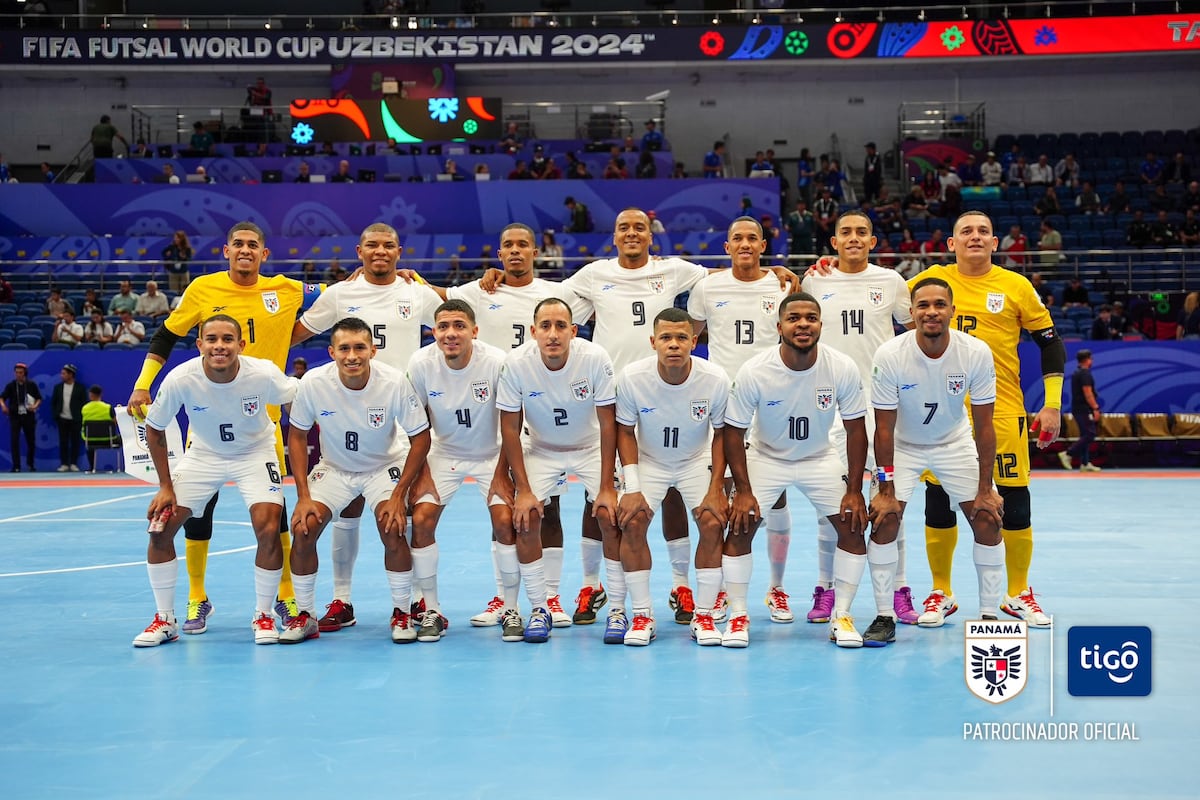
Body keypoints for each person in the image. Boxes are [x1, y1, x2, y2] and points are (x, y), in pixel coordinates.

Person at [127, 221, 318, 637]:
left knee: (272, 521)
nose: (245, 250)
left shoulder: (285, 290)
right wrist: (143, 384)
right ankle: (191, 600)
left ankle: (280, 600)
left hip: (261, 431)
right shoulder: (201, 295)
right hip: (206, 441)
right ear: (226, 250)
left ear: (264, 253)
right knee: (191, 517)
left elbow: (333, 298)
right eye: (238, 244)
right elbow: (164, 336)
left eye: (253, 245)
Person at [908, 211, 1066, 628]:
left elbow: (1050, 344)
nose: (974, 237)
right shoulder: (930, 281)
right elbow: (872, 296)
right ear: (951, 243)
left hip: (1002, 411)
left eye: (983, 231)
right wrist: (823, 269)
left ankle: (1018, 593)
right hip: (942, 413)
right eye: (966, 231)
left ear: (995, 243)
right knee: (938, 500)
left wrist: (1052, 404)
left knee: (1013, 500)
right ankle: (941, 591)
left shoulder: (1016, 286)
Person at [289, 223, 440, 633]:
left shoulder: (416, 292)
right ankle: (338, 601)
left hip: (397, 421)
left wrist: (481, 280)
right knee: (341, 514)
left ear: (399, 251)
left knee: (400, 521)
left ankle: (410, 604)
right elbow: (293, 333)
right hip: (344, 423)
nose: (380, 251)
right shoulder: (340, 294)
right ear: (359, 251)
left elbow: (458, 312)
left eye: (388, 245)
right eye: (372, 245)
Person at [131, 314, 299, 648]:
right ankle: (165, 619)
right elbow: (154, 428)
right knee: (160, 529)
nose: (219, 346)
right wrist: (165, 486)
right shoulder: (181, 378)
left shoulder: (263, 373)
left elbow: (299, 397)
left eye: (227, 339)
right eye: (211, 339)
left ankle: (263, 614)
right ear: (199, 345)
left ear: (241, 344)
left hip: (255, 452)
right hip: (203, 455)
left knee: (269, 528)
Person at [723, 292, 869, 648]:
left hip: (819, 457)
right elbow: (733, 433)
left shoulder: (841, 366)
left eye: (810, 318)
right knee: (739, 528)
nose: (803, 324)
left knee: (852, 526)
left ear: (821, 325)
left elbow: (856, 431)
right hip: (767, 458)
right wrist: (743, 490)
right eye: (794, 318)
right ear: (779, 327)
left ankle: (842, 615)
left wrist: (854, 489)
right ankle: (738, 614)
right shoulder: (755, 370)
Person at [282, 317, 432, 645]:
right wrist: (303, 496)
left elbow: (421, 438)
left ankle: (401, 611)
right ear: (332, 352)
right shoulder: (313, 383)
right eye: (345, 348)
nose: (352, 356)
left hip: (383, 466)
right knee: (303, 528)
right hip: (335, 468)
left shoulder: (393, 382)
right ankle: (306, 615)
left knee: (392, 526)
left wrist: (399, 494)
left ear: (373, 351)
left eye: (360, 348)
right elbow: (297, 436)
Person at [869, 278, 1005, 637]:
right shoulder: (890, 354)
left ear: (952, 311)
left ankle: (989, 617)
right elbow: (883, 429)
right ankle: (884, 616)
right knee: (884, 520)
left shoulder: (975, 352)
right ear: (911, 312)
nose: (932, 312)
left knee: (988, 518)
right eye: (923, 305)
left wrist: (985, 488)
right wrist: (885, 490)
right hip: (903, 445)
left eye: (940, 305)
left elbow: (984, 425)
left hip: (953, 443)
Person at [801, 211, 917, 625]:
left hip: (882, 405)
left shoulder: (891, 281)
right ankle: (826, 588)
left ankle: (899, 589)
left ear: (872, 241)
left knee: (890, 502)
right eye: (846, 232)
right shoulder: (815, 281)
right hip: (831, 407)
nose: (854, 238)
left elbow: (915, 332)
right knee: (831, 506)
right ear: (833, 242)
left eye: (861, 232)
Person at [687, 217, 794, 622]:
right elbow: (689, 334)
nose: (745, 244)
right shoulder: (708, 287)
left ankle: (777, 588)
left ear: (763, 246)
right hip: (724, 402)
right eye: (737, 238)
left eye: (752, 238)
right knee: (725, 492)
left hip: (771, 400)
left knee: (774, 493)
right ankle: (719, 590)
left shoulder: (782, 286)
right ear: (727, 246)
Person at [497, 297, 619, 643]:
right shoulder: (516, 363)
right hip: (542, 449)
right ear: (533, 331)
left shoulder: (594, 358)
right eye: (545, 326)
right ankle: (540, 607)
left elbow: (608, 424)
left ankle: (618, 609)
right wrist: (523, 490)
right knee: (526, 517)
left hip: (591, 447)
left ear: (574, 331)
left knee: (612, 516)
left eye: (561, 326)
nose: (553, 334)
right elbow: (510, 428)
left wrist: (607, 486)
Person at [611, 308, 730, 646]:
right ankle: (642, 615)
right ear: (653, 342)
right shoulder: (632, 377)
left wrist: (717, 487)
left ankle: (704, 616)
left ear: (694, 341)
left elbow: (722, 434)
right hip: (650, 461)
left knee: (712, 522)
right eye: (666, 337)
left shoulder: (715, 378)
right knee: (632, 521)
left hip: (695, 460)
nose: (673, 344)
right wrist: (632, 486)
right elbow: (624, 432)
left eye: (681, 337)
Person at [406, 301, 514, 641]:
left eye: (459, 326)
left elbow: (512, 422)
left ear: (474, 331)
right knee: (421, 520)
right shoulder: (421, 363)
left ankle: (510, 607)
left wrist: (502, 473)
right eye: (443, 327)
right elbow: (415, 423)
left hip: (493, 452)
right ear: (434, 332)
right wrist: (422, 472)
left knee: (505, 521)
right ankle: (431, 609)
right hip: (443, 453)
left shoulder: (497, 362)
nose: (450, 333)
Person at [1060, 349, 1102, 473]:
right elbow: (1088, 393)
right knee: (1090, 434)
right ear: (1087, 360)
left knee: (1085, 434)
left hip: (1078, 408)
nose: (1092, 361)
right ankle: (1068, 453)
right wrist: (1095, 408)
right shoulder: (1085, 374)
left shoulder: (1077, 373)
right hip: (1083, 409)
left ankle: (1085, 463)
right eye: (1091, 359)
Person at [2, 362, 41, 472]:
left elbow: (39, 398)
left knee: (31, 441)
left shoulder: (31, 385)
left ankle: (30, 464)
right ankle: (16, 465)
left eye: (21, 372)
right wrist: (3, 406)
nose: (18, 374)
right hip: (15, 416)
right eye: (17, 372)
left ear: (25, 373)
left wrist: (35, 406)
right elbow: (2, 397)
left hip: (28, 415)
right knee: (14, 440)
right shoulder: (11, 385)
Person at [51, 364, 85, 471]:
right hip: (62, 419)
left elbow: (83, 403)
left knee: (75, 442)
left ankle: (74, 463)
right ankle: (64, 464)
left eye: (64, 374)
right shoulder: (58, 388)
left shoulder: (80, 388)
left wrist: (80, 417)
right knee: (63, 442)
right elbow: (54, 402)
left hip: (75, 419)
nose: (62, 375)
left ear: (71, 375)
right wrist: (56, 415)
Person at [80, 384, 116, 472]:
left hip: (89, 440)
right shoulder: (108, 407)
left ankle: (91, 467)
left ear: (90, 394)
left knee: (89, 442)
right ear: (100, 394)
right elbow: (115, 422)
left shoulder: (85, 408)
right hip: (108, 440)